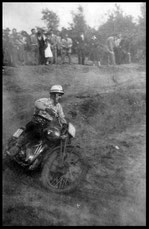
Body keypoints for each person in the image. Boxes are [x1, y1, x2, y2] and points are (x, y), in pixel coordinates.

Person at [8, 85, 67, 157]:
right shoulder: (44, 100)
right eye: (59, 95)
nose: (60, 97)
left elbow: (61, 117)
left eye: (61, 95)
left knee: (51, 140)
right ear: (53, 94)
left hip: (46, 127)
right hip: (36, 122)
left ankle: (38, 157)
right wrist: (46, 109)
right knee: (35, 130)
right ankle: (17, 147)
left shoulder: (58, 106)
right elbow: (37, 104)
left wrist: (64, 124)